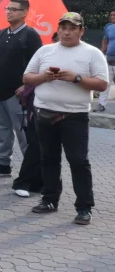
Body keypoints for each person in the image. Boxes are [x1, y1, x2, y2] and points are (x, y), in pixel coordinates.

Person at [22, 12, 109, 225]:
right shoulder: (45, 50)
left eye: (72, 28)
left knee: (78, 161)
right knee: (48, 159)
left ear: (81, 31)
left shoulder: (92, 53)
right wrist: (44, 77)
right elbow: (26, 77)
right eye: (63, 28)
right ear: (58, 29)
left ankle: (84, 207)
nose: (66, 32)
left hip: (74, 116)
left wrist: (76, 78)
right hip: (44, 113)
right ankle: (49, 199)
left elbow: (102, 84)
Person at [0, 0, 42, 177]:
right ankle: (3, 164)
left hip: (18, 94)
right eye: (7, 9)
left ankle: (30, 170)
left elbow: (39, 64)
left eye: (13, 9)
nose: (8, 12)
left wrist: (26, 86)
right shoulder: (0, 34)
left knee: (23, 134)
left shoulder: (30, 35)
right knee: (3, 132)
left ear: (24, 13)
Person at [99, 9, 115, 112]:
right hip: (109, 59)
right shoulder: (108, 27)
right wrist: (101, 54)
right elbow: (105, 41)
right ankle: (101, 104)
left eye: (114, 15)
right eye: (111, 14)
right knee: (105, 82)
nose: (112, 16)